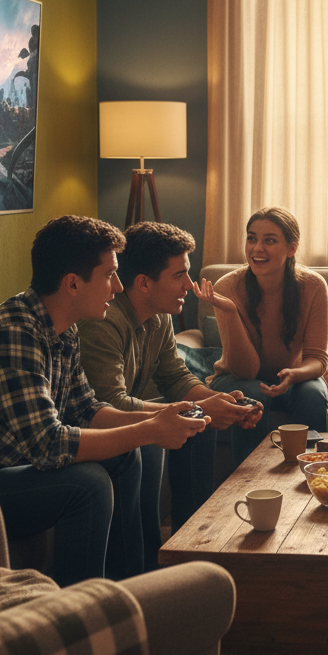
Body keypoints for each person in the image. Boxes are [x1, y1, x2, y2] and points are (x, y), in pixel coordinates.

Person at [0, 215, 205, 587]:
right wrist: (150, 430)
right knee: (87, 484)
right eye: (109, 274)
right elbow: (48, 445)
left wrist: (163, 417)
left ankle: (130, 586)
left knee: (125, 455)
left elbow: (86, 410)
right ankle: (83, 606)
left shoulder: (62, 328)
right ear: (73, 284)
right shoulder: (14, 334)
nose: (118, 286)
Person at [77, 221, 263, 562]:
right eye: (180, 275)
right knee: (158, 439)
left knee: (201, 420)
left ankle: (193, 542)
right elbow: (108, 404)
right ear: (144, 283)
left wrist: (216, 403)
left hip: (124, 410)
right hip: (96, 424)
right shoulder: (104, 320)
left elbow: (176, 378)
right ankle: (150, 562)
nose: (190, 285)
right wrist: (195, 409)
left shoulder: (159, 315)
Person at [195, 206, 328, 464]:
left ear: (291, 248)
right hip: (235, 378)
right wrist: (231, 312)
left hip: (293, 379)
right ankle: (247, 479)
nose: (257, 248)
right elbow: (245, 371)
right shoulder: (227, 287)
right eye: (251, 238)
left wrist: (294, 375)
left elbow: (317, 359)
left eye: (270, 240)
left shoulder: (313, 286)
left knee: (312, 393)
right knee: (252, 393)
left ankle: (315, 471)